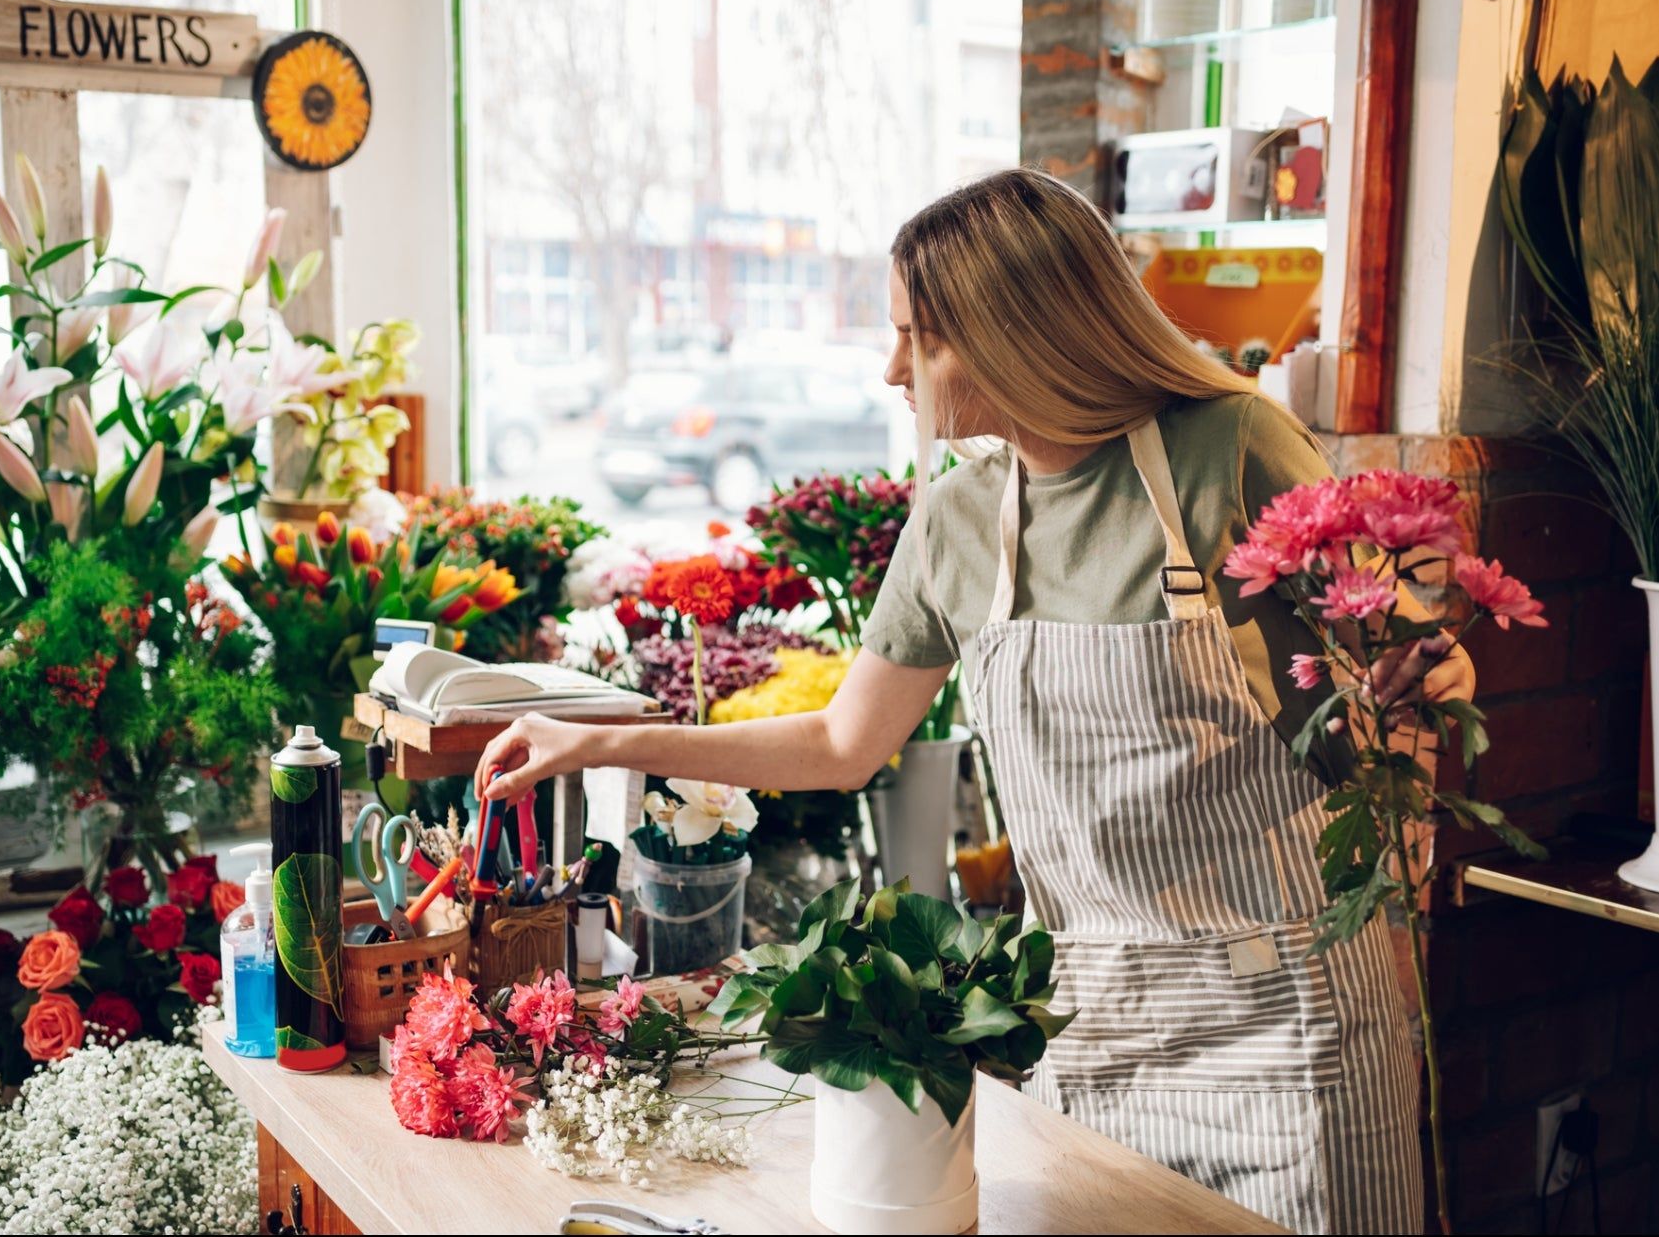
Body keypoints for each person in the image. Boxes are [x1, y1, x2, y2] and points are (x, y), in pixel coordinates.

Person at [477, 169, 1466, 1234]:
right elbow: (839, 741)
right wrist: (597, 740)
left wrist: (1427, 682)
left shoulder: (1229, 445)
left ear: (1017, 333)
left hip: (1286, 1034)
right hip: (1087, 1040)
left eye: (920, 338)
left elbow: (1387, 674)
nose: (892, 368)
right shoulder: (955, 521)